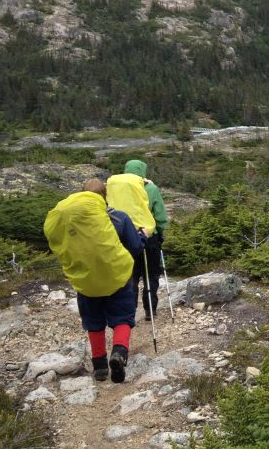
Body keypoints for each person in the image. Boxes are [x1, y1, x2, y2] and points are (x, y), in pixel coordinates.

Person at [44, 179, 144, 383]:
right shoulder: (118, 217)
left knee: (94, 323)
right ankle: (119, 354)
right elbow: (135, 247)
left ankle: (99, 367)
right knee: (123, 318)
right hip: (117, 277)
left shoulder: (69, 222)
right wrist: (142, 236)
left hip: (86, 282)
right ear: (104, 196)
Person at [108, 159, 168, 321]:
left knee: (131, 275)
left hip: (125, 238)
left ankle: (130, 311)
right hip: (149, 236)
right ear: (142, 171)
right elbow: (160, 215)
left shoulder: (115, 188)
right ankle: (150, 310)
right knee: (151, 274)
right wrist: (160, 231)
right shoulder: (150, 188)